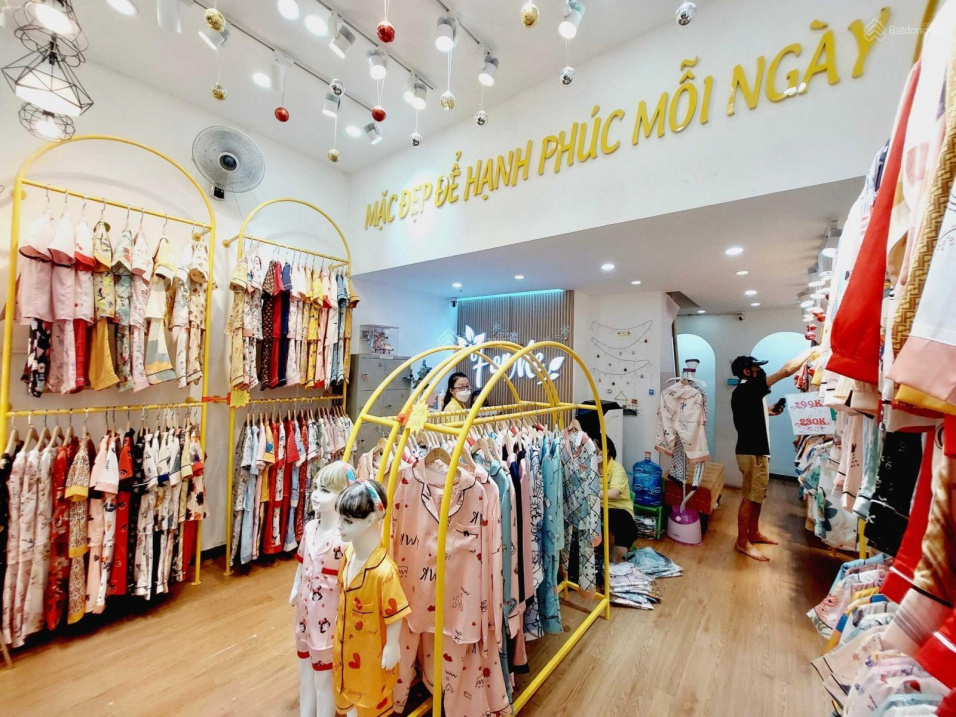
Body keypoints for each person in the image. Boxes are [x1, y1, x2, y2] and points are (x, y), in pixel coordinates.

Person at [730, 350, 812, 562]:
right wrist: (813, 350)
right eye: (756, 367)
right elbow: (787, 370)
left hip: (757, 451)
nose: (760, 370)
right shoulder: (749, 387)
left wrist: (769, 411)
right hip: (752, 453)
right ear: (747, 371)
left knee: (757, 496)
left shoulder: (745, 392)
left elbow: (749, 414)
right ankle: (742, 542)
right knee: (750, 497)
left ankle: (754, 533)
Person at [597, 438, 636, 563]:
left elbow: (613, 494)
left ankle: (616, 562)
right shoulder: (589, 467)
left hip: (617, 507)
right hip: (598, 506)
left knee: (625, 525)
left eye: (596, 451)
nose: (593, 454)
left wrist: (590, 493)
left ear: (606, 450)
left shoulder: (616, 468)